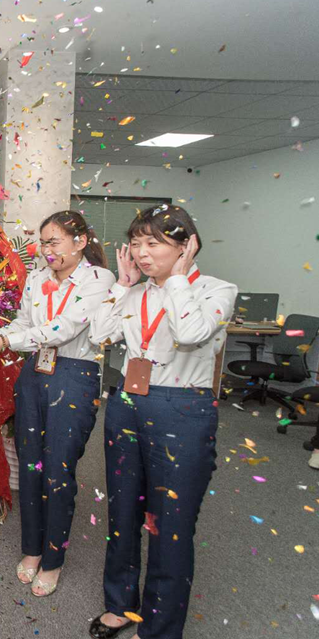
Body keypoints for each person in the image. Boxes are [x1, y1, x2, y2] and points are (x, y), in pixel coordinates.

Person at [87, 204, 236, 639]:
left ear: (187, 245)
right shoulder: (135, 292)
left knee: (170, 523)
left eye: (153, 243)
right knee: (122, 511)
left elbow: (190, 333)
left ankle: (158, 628)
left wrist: (176, 281)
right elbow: (98, 334)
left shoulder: (216, 290)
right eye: (136, 243)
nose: (141, 253)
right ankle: (120, 604)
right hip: (127, 404)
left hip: (182, 409)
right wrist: (121, 286)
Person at [0, 210, 114, 597]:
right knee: (30, 465)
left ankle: (53, 559)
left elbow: (64, 328)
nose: (46, 250)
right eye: (43, 242)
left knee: (58, 471)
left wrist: (6, 341)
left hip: (74, 375)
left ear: (81, 241)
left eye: (54, 242)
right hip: (34, 373)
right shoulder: (37, 278)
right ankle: (32, 548)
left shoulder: (99, 279)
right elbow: (24, 324)